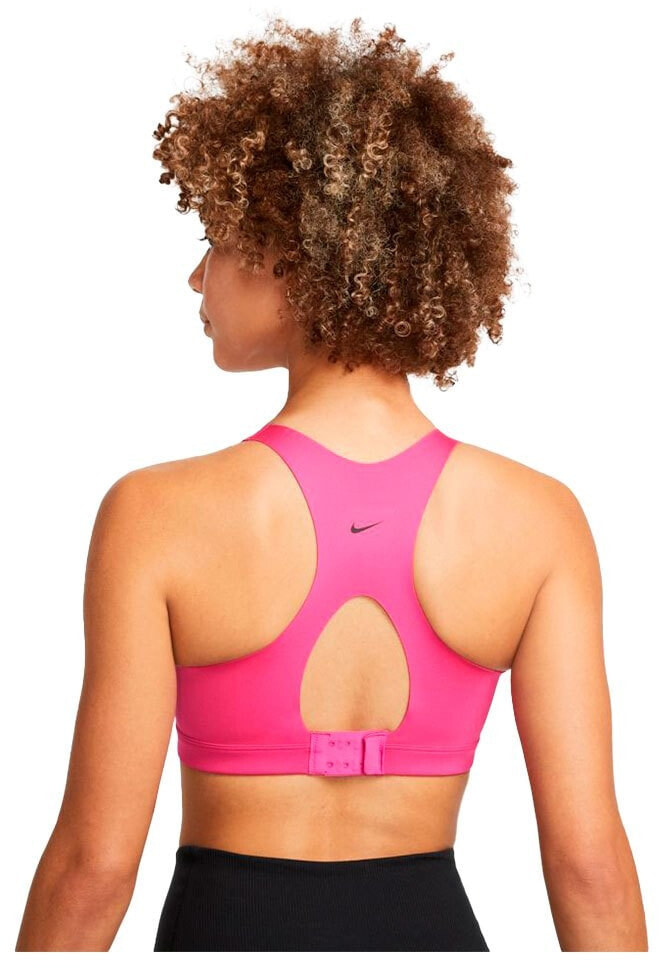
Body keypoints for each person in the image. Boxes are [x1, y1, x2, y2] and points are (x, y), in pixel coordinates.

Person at [15, 17, 647, 953]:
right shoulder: (536, 520)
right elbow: (590, 866)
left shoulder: (155, 514)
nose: (195, 277)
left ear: (294, 255)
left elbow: (93, 868)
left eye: (216, 240)